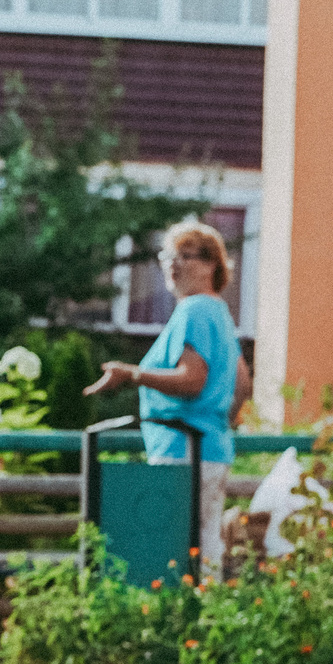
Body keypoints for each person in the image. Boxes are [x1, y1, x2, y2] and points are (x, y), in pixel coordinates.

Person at [85, 219, 250, 576]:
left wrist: (132, 375)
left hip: (183, 451)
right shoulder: (219, 311)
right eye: (167, 256)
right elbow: (243, 383)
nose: (173, 265)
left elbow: (192, 379)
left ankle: (184, 628)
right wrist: (219, 422)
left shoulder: (193, 310)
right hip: (211, 449)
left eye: (185, 256)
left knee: (174, 554)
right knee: (206, 550)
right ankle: (207, 625)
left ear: (211, 265)